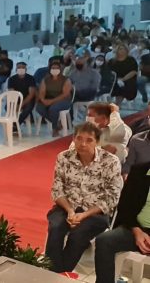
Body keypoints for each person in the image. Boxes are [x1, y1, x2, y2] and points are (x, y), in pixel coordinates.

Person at [45, 122, 123, 274]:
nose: (83, 144)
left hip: (95, 212)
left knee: (78, 234)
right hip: (67, 207)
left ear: (97, 142)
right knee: (56, 227)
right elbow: (57, 190)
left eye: (89, 140)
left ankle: (56, 273)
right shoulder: (64, 157)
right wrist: (70, 211)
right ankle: (56, 273)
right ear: (73, 138)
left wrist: (84, 215)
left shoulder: (110, 161)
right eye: (79, 138)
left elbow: (112, 197)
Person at [95, 161, 150, 283]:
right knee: (104, 240)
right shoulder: (139, 170)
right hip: (136, 228)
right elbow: (124, 206)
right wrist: (137, 231)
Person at [36, 61, 73, 136]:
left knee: (53, 108)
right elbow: (42, 92)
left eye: (57, 68)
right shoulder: (45, 79)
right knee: (39, 108)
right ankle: (57, 124)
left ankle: (54, 129)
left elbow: (65, 94)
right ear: (50, 69)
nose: (55, 70)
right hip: (48, 99)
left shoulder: (66, 79)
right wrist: (43, 100)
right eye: (53, 68)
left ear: (60, 69)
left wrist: (51, 101)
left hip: (63, 100)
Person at [7, 62, 37, 128]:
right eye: (19, 67)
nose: (21, 69)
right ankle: (14, 122)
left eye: (23, 67)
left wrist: (21, 104)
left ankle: (16, 124)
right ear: (16, 69)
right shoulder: (11, 79)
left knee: (28, 108)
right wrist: (15, 104)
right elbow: (12, 93)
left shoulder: (31, 78)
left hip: (28, 100)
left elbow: (31, 94)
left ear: (26, 69)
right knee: (7, 107)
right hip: (16, 100)